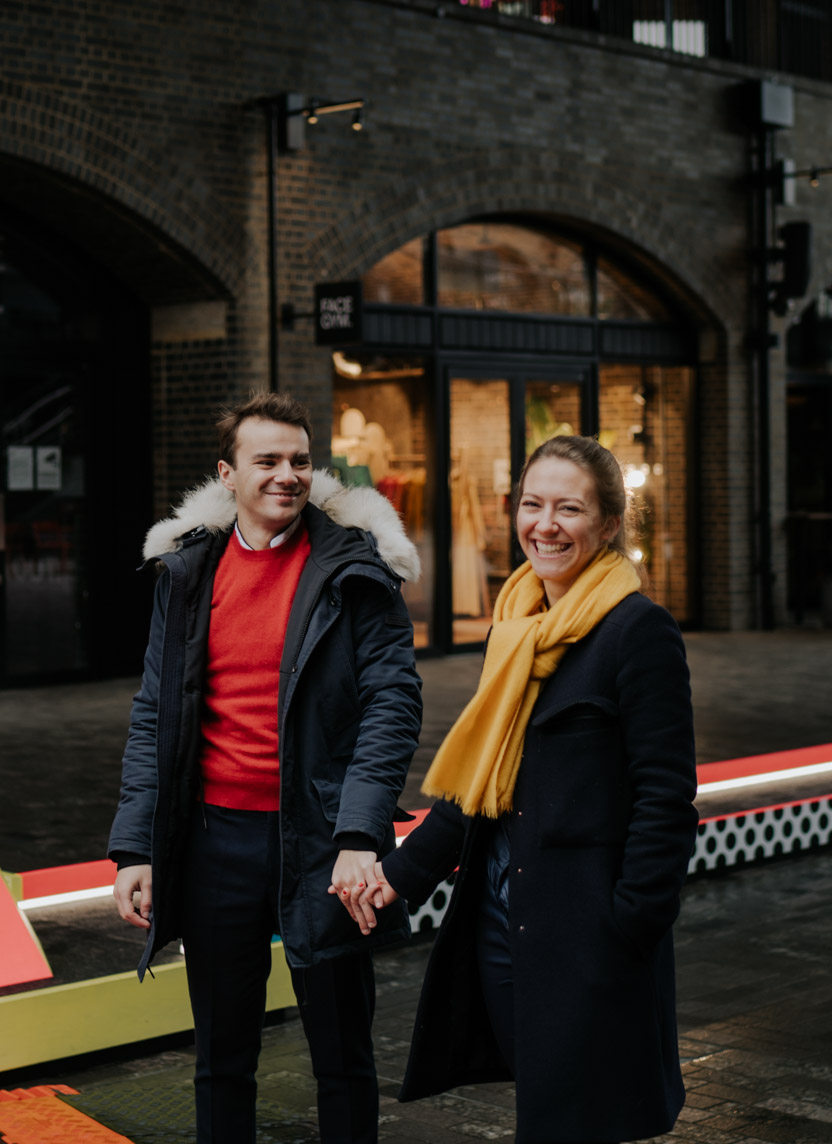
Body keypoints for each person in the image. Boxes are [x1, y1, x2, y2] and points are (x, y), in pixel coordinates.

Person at [346, 433, 696, 1144]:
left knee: (578, 1122)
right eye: (533, 505)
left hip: (588, 932)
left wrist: (630, 923)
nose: (546, 524)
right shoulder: (516, 627)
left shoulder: (638, 631)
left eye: (569, 508)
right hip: (507, 926)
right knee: (544, 1108)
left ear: (607, 524)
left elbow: (665, 798)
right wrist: (395, 877)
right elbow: (481, 789)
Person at [108, 391, 424, 1144]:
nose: (289, 475)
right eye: (269, 461)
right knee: (221, 1058)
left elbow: (393, 703)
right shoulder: (187, 575)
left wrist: (360, 832)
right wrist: (135, 845)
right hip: (216, 842)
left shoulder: (353, 569)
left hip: (320, 842)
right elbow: (155, 711)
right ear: (229, 474)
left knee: (342, 1055)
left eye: (301, 462)